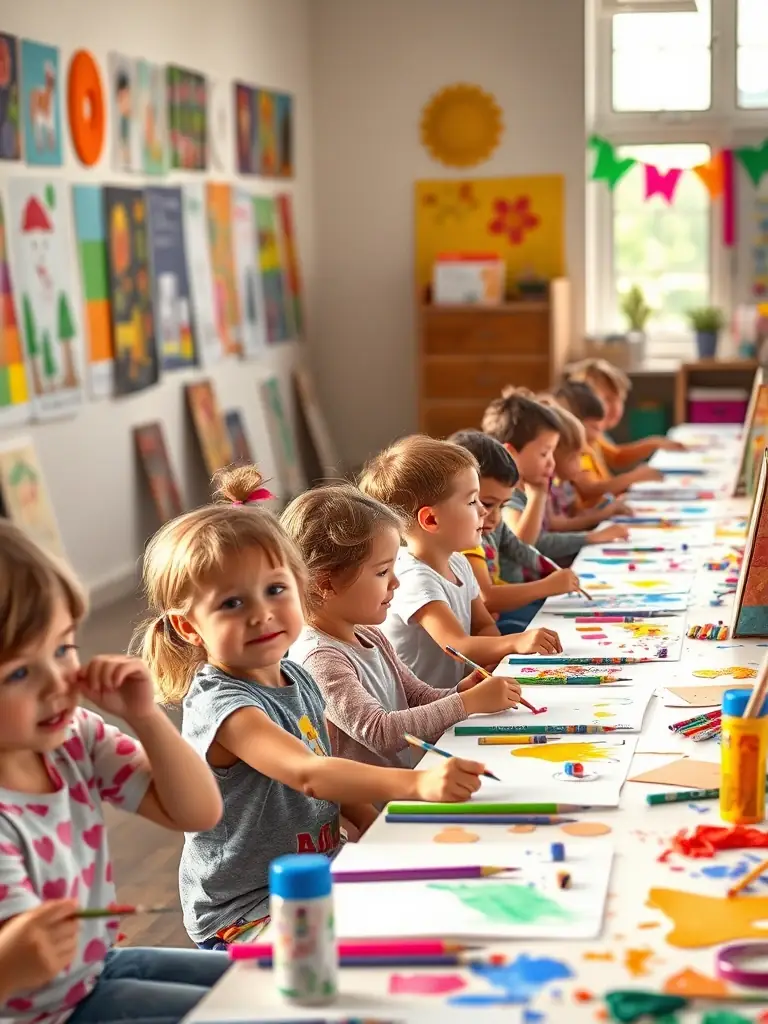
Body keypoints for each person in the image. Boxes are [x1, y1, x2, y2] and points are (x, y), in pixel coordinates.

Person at [136, 467, 489, 950]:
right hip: (248, 910)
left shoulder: (296, 676)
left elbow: (336, 795)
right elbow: (309, 773)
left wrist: (384, 834)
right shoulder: (227, 707)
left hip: (319, 875)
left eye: (275, 590)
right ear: (189, 627)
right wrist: (416, 783)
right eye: (233, 603)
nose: (261, 613)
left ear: (301, 586)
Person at [0, 522, 229, 1024]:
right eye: (19, 672)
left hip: (91, 974)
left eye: (62, 649)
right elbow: (24, 963)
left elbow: (199, 811)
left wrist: (145, 717)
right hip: (43, 1015)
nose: (58, 683)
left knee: (263, 985)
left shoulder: (71, 736)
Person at [283, 483, 522, 769]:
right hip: (383, 805)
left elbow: (418, 697)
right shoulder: (319, 657)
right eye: (382, 572)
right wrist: (468, 703)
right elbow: (380, 732)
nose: (395, 582)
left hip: (412, 781)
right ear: (326, 584)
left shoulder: (368, 634)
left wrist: (462, 690)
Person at [357, 435, 562, 687]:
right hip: (421, 716)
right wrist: (515, 642)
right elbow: (455, 643)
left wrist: (493, 662)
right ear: (431, 520)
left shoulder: (459, 563)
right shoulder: (413, 577)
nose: (484, 511)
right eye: (472, 501)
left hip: (453, 699)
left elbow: (484, 624)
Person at [448, 429, 582, 632]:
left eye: (502, 506)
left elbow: (521, 550)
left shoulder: (491, 524)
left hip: (497, 617)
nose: (493, 516)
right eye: (486, 503)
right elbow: (488, 598)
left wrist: (556, 573)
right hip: (486, 624)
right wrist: (548, 586)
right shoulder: (465, 540)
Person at [481, 391, 626, 556]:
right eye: (544, 454)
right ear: (512, 454)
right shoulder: (508, 497)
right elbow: (524, 547)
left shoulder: (529, 487)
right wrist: (590, 537)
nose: (552, 462)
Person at [554, 380, 663, 508]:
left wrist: (653, 444)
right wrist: (633, 477)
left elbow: (617, 455)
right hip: (593, 516)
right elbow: (589, 489)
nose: (599, 425)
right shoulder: (579, 453)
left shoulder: (593, 441)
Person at [565, 358, 685, 468]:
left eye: (620, 400)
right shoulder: (584, 438)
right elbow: (592, 488)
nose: (616, 407)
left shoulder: (597, 435)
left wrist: (655, 443)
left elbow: (616, 456)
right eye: (607, 399)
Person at [544, 401, 634, 532]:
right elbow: (558, 525)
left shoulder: (566, 485)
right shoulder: (547, 487)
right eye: (573, 458)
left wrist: (606, 508)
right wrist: (601, 515)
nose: (580, 465)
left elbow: (577, 515)